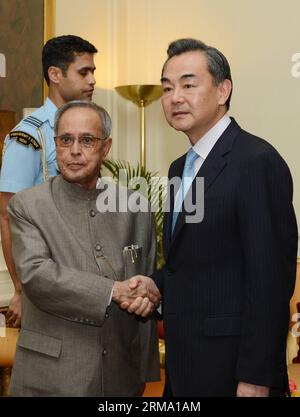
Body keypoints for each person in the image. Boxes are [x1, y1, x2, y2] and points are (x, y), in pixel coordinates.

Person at [153, 38, 298, 397]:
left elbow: (270, 279)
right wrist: (155, 285)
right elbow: (194, 260)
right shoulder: (178, 169)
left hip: (233, 370)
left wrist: (256, 377)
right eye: (167, 88)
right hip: (186, 365)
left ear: (223, 90)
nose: (175, 97)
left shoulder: (255, 161)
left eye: (188, 84)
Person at [7, 100, 160, 396]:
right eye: (66, 140)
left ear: (106, 148)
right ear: (56, 145)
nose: (74, 150)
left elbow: (145, 280)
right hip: (51, 378)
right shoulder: (28, 205)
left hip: (120, 378)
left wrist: (147, 298)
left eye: (87, 140)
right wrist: (112, 290)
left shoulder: (135, 207)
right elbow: (38, 276)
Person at [0, 35, 98, 328]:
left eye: (93, 71)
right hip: (42, 278)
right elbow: (7, 216)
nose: (92, 80)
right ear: (55, 75)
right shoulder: (29, 136)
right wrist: (20, 289)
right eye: (84, 72)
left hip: (78, 278)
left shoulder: (89, 128)